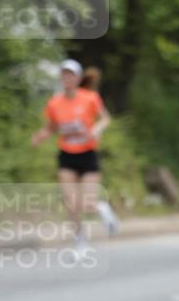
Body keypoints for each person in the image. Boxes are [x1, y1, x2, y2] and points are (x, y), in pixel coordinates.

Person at [31, 59, 118, 255]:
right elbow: (51, 127)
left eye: (71, 75)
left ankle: (102, 208)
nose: (67, 78)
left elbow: (105, 118)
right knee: (70, 203)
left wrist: (96, 130)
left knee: (87, 203)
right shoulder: (55, 103)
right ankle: (79, 243)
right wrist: (39, 137)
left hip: (87, 154)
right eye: (64, 74)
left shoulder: (90, 98)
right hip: (67, 155)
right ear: (61, 78)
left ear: (78, 78)